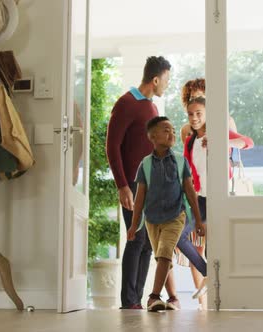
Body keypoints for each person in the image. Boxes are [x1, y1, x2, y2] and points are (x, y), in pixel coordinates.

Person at [106, 56, 171, 310]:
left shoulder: (152, 108)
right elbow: (112, 146)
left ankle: (137, 300)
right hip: (132, 186)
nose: (167, 84)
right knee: (136, 239)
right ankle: (129, 301)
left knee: (147, 243)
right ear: (155, 79)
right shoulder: (126, 103)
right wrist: (122, 185)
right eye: (166, 80)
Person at [127, 116, 206, 312]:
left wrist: (197, 220)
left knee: (164, 255)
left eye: (172, 130)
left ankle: (153, 297)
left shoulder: (180, 162)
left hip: (175, 217)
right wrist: (134, 225)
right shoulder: (145, 165)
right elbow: (139, 199)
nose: (171, 133)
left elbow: (190, 192)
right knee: (163, 259)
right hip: (152, 221)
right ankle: (173, 299)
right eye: (166, 130)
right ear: (152, 137)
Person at [183, 96, 253, 309]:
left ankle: (221, 299)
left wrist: (222, 142)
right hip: (201, 199)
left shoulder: (221, 134)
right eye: (191, 114)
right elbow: (189, 173)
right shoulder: (189, 141)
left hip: (220, 197)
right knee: (178, 235)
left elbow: (248, 142)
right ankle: (207, 273)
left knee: (217, 245)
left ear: (207, 114)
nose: (194, 118)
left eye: (199, 114)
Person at [179, 78, 238, 143]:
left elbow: (235, 149)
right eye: (192, 98)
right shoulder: (186, 130)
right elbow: (189, 152)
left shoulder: (227, 121)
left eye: (200, 97)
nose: (195, 101)